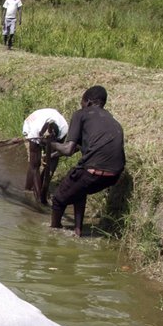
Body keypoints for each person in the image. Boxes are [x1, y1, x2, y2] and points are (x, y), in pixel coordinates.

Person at [49, 85, 125, 236]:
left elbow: (68, 150)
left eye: (81, 102)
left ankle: (53, 233)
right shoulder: (110, 119)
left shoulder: (81, 114)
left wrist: (49, 143)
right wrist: (54, 155)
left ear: (88, 102)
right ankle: (78, 231)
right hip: (114, 175)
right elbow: (82, 146)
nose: (81, 105)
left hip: (92, 171)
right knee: (79, 188)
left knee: (58, 199)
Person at [22, 107, 69, 206]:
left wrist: (45, 187)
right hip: (33, 127)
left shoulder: (63, 128)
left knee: (52, 159)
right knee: (35, 163)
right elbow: (34, 167)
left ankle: (42, 188)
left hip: (52, 122)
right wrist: (40, 200)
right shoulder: (34, 131)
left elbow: (58, 153)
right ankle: (28, 190)